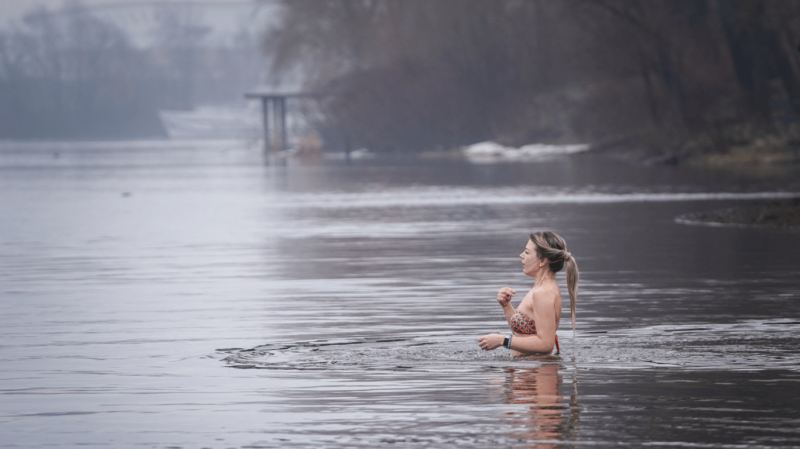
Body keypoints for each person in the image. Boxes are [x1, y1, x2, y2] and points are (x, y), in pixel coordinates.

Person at [477, 231, 578, 355]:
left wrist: (502, 340)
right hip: (529, 370)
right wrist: (506, 305)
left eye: (527, 252)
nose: (521, 255)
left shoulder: (543, 293)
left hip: (539, 372)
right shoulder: (541, 289)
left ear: (542, 261)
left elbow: (546, 344)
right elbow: (523, 335)